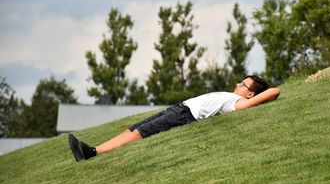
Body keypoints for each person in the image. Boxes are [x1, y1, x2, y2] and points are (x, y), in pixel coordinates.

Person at [68, 75, 280, 162]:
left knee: (141, 133)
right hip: (179, 108)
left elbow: (275, 91)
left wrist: (261, 93)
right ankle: (92, 150)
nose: (237, 85)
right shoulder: (233, 96)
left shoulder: (237, 103)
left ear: (250, 94)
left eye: (242, 85)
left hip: (184, 116)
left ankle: (93, 153)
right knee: (133, 129)